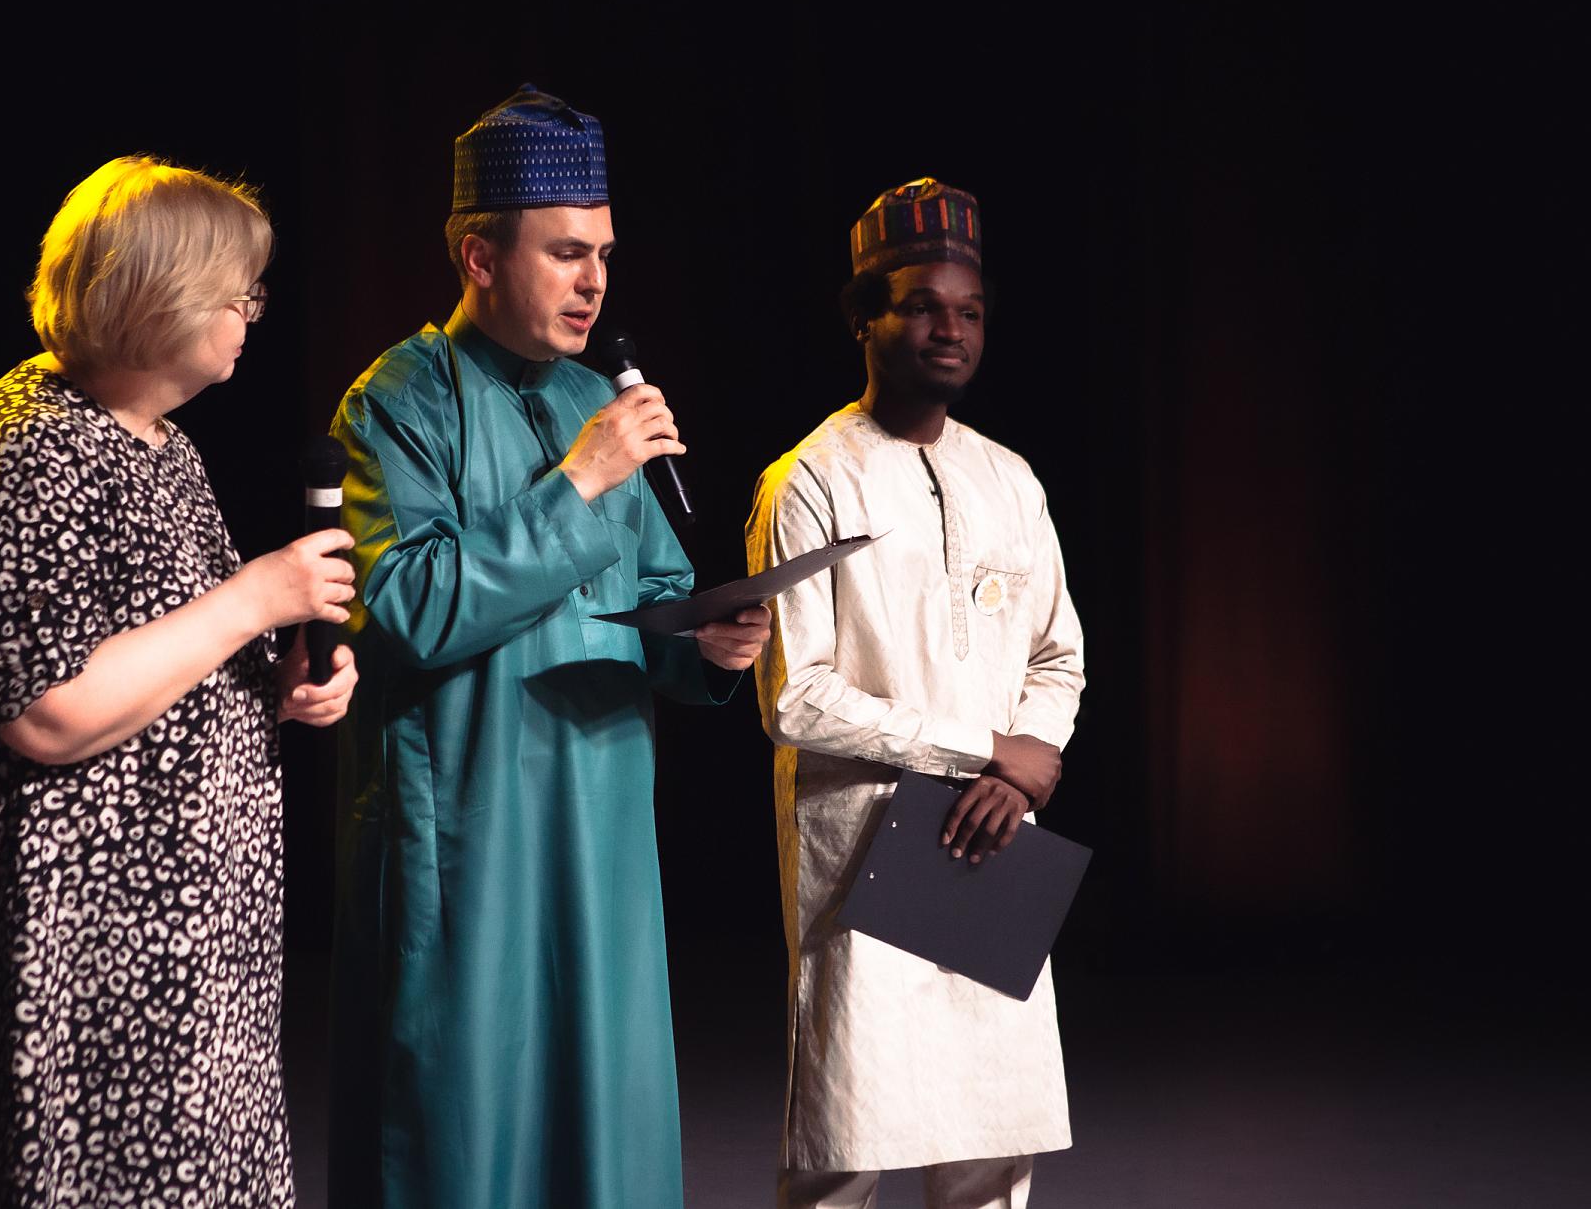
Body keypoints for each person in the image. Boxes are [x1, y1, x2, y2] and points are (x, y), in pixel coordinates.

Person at [0, 156, 358, 1207]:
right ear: (159, 296)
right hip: (64, 961)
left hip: (175, 958)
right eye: (236, 291)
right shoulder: (26, 448)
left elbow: (167, 660)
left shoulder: (162, 448)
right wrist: (252, 600)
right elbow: (46, 710)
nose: (251, 313)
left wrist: (278, 682)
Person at [325, 85, 771, 1209]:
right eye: (566, 253)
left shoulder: (594, 399)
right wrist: (580, 479)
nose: (594, 282)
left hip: (602, 831)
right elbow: (408, 605)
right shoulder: (397, 402)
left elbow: (655, 594)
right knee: (463, 1141)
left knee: (605, 1136)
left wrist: (709, 643)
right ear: (478, 256)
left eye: (604, 254)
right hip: (468, 843)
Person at [744, 178, 1086, 1209]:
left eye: (969, 311)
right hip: (863, 844)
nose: (951, 330)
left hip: (989, 834)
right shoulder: (809, 479)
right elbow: (794, 698)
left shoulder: (1008, 478)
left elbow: (1057, 655)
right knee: (846, 1135)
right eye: (923, 306)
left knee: (992, 1137)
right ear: (864, 317)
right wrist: (982, 749)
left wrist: (1016, 776)